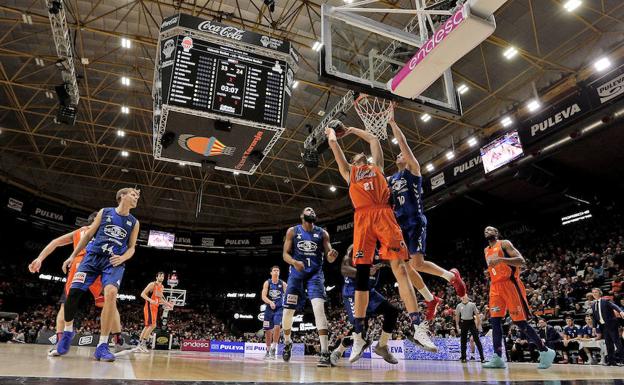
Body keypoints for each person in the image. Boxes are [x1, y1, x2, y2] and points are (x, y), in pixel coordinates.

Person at [325, 121, 436, 362]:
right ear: (353, 163)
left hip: (384, 214)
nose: (360, 158)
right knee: (362, 277)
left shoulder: (377, 166)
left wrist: (351, 130)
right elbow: (334, 147)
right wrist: (331, 133)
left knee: (400, 269)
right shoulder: (349, 173)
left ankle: (418, 325)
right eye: (356, 158)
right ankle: (359, 335)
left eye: (361, 157)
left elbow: (374, 140)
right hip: (362, 218)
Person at [387, 118, 466, 320]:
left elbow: (403, 145)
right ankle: (431, 299)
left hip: (414, 221)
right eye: (396, 155)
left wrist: (393, 125)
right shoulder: (391, 180)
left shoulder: (413, 170)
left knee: (418, 264)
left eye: (401, 154)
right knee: (405, 267)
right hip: (400, 225)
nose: (399, 155)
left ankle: (451, 276)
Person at [56, 187, 140, 362]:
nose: (136, 197)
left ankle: (102, 346)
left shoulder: (134, 222)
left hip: (114, 261)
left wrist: (123, 257)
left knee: (111, 294)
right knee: (74, 293)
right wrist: (72, 256)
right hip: (92, 257)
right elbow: (87, 236)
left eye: (137, 196)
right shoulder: (105, 212)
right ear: (122, 196)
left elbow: (132, 248)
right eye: (133, 194)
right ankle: (68, 332)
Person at [481, 226, 555, 369]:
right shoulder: (485, 250)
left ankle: (545, 351)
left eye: (490, 229)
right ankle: (497, 357)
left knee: (520, 322)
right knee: (494, 321)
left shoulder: (504, 244)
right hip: (495, 287)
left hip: (511, 285)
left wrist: (501, 259)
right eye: (485, 230)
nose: (487, 231)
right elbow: (495, 267)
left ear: (496, 233)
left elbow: (521, 261)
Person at [281, 207, 338, 366]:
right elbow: (285, 254)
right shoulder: (292, 231)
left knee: (319, 309)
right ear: (302, 216)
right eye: (307, 209)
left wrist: (332, 256)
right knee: (287, 312)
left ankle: (325, 352)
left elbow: (329, 257)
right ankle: (287, 342)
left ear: (315, 216)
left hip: (315, 274)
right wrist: (293, 262)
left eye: (313, 210)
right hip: (296, 275)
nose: (311, 210)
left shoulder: (323, 233)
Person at [331, 245, 404, 366]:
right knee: (359, 328)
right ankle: (338, 351)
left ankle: (382, 346)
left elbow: (395, 261)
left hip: (370, 292)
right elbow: (344, 269)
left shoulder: (381, 250)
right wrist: (363, 272)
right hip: (352, 292)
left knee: (392, 311)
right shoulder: (355, 247)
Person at [137, 272, 173, 353]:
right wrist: (151, 300)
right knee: (153, 325)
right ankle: (143, 344)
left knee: (147, 326)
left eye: (163, 276)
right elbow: (142, 294)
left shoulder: (162, 286)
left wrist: (168, 304)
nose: (161, 277)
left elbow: (160, 299)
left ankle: (140, 344)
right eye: (160, 276)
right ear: (156, 277)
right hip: (149, 306)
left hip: (155, 307)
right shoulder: (152, 284)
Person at [590, 287, 624, 366]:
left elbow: (614, 306)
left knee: (617, 342)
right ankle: (611, 361)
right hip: (603, 326)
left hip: (611, 324)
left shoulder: (605, 300)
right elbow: (594, 317)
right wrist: (594, 327)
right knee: (608, 344)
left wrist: (621, 311)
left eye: (596, 292)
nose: (594, 294)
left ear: (600, 293)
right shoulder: (593, 305)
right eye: (593, 292)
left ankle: (623, 360)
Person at [261, 266, 286, 360]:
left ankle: (273, 348)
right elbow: (263, 296)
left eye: (278, 270)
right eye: (274, 270)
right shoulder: (267, 283)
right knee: (267, 331)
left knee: (277, 327)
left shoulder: (283, 283)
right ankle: (267, 350)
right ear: (271, 273)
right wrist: (270, 302)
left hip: (279, 308)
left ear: (279, 273)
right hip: (269, 308)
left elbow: (288, 294)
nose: (276, 271)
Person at [455, 296, 484, 362]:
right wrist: (457, 325)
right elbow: (457, 316)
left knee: (477, 340)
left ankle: (482, 357)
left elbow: (477, 314)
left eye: (465, 296)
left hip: (471, 322)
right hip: (463, 323)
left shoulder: (472, 304)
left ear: (467, 297)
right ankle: (463, 357)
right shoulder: (459, 305)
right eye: (462, 296)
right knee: (463, 341)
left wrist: (478, 324)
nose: (463, 297)